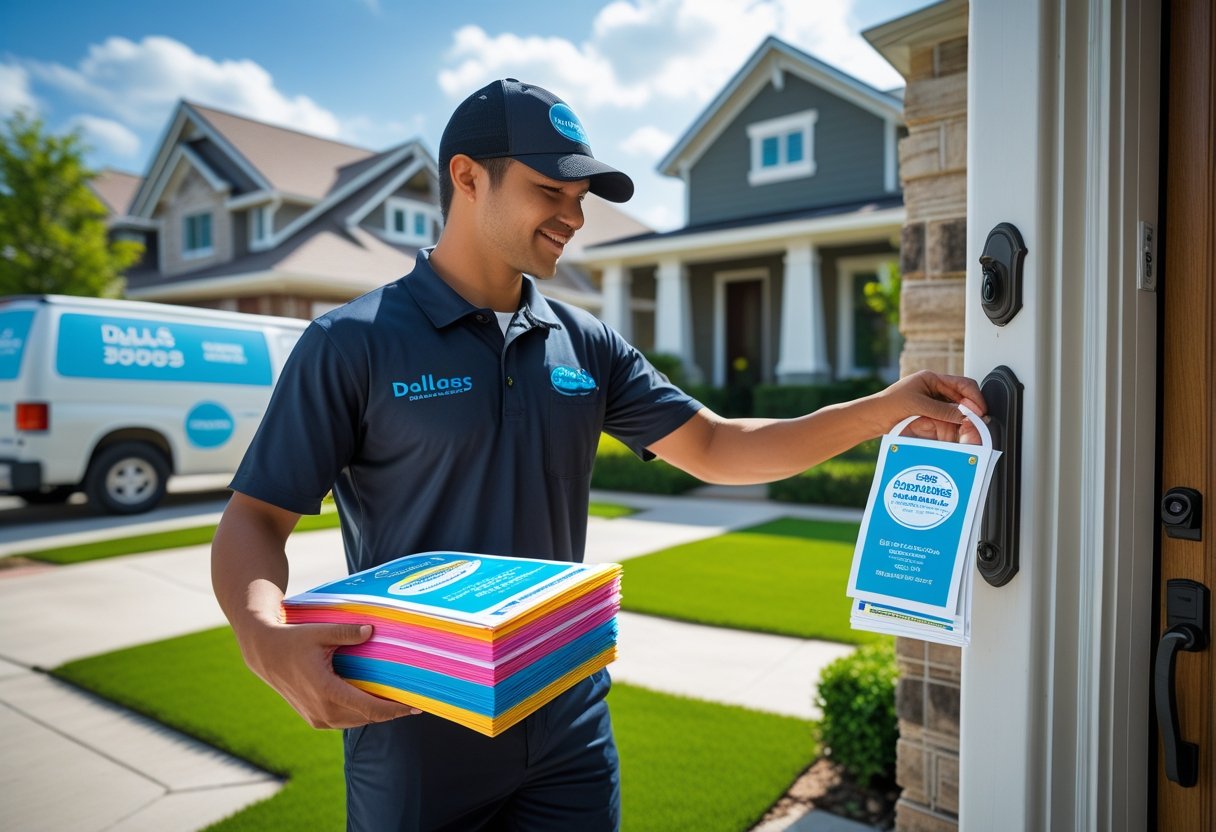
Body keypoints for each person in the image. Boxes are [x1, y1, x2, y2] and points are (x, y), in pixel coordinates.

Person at [211, 78, 986, 832]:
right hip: (417, 725)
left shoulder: (584, 343)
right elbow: (255, 517)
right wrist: (262, 635)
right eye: (552, 192)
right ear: (468, 177)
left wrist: (882, 409)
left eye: (580, 201)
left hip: (569, 717)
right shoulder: (352, 343)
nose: (573, 218)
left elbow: (716, 446)